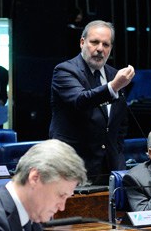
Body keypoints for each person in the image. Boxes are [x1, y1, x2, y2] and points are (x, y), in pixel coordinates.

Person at [49, 20, 135, 184]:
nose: (100, 49)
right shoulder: (65, 70)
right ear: (82, 42)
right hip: (72, 166)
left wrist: (117, 152)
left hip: (109, 166)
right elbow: (81, 100)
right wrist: (114, 86)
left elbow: (121, 122)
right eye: (94, 42)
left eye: (106, 44)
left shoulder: (114, 74)